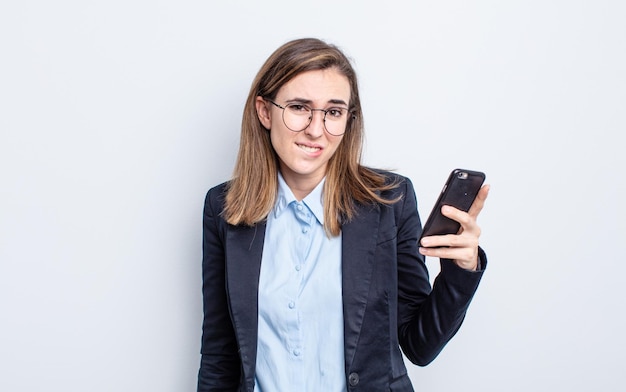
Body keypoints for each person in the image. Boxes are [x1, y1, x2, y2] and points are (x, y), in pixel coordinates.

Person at [197, 37, 490, 392]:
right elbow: (220, 353)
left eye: (333, 112)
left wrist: (461, 270)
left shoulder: (388, 203)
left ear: (348, 120)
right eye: (299, 107)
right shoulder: (223, 208)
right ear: (264, 111)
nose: (316, 129)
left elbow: (420, 345)